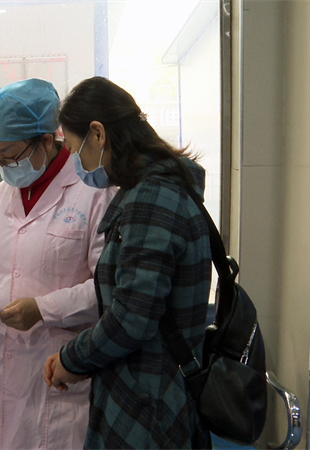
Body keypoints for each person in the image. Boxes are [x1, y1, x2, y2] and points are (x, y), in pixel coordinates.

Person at [0, 78, 114, 450]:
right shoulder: (1, 194)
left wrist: (42, 309)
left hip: (55, 368)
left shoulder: (95, 192)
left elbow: (106, 288)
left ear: (47, 140)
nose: (1, 166)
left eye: (9, 156)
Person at [44, 76, 212, 450]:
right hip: (144, 394)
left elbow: (132, 317)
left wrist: (73, 358)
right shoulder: (158, 189)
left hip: (147, 406)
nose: (76, 163)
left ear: (98, 134)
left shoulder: (153, 198)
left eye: (74, 150)